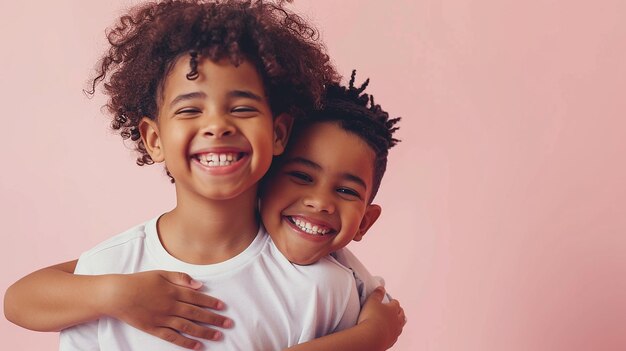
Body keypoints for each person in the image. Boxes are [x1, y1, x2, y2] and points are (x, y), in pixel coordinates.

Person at [4, 1, 404, 351]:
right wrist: (114, 293)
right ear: (154, 139)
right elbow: (17, 301)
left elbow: (377, 317)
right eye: (190, 110)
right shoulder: (108, 273)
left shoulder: (324, 285)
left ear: (278, 132)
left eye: (242, 108)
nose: (217, 126)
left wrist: (371, 336)